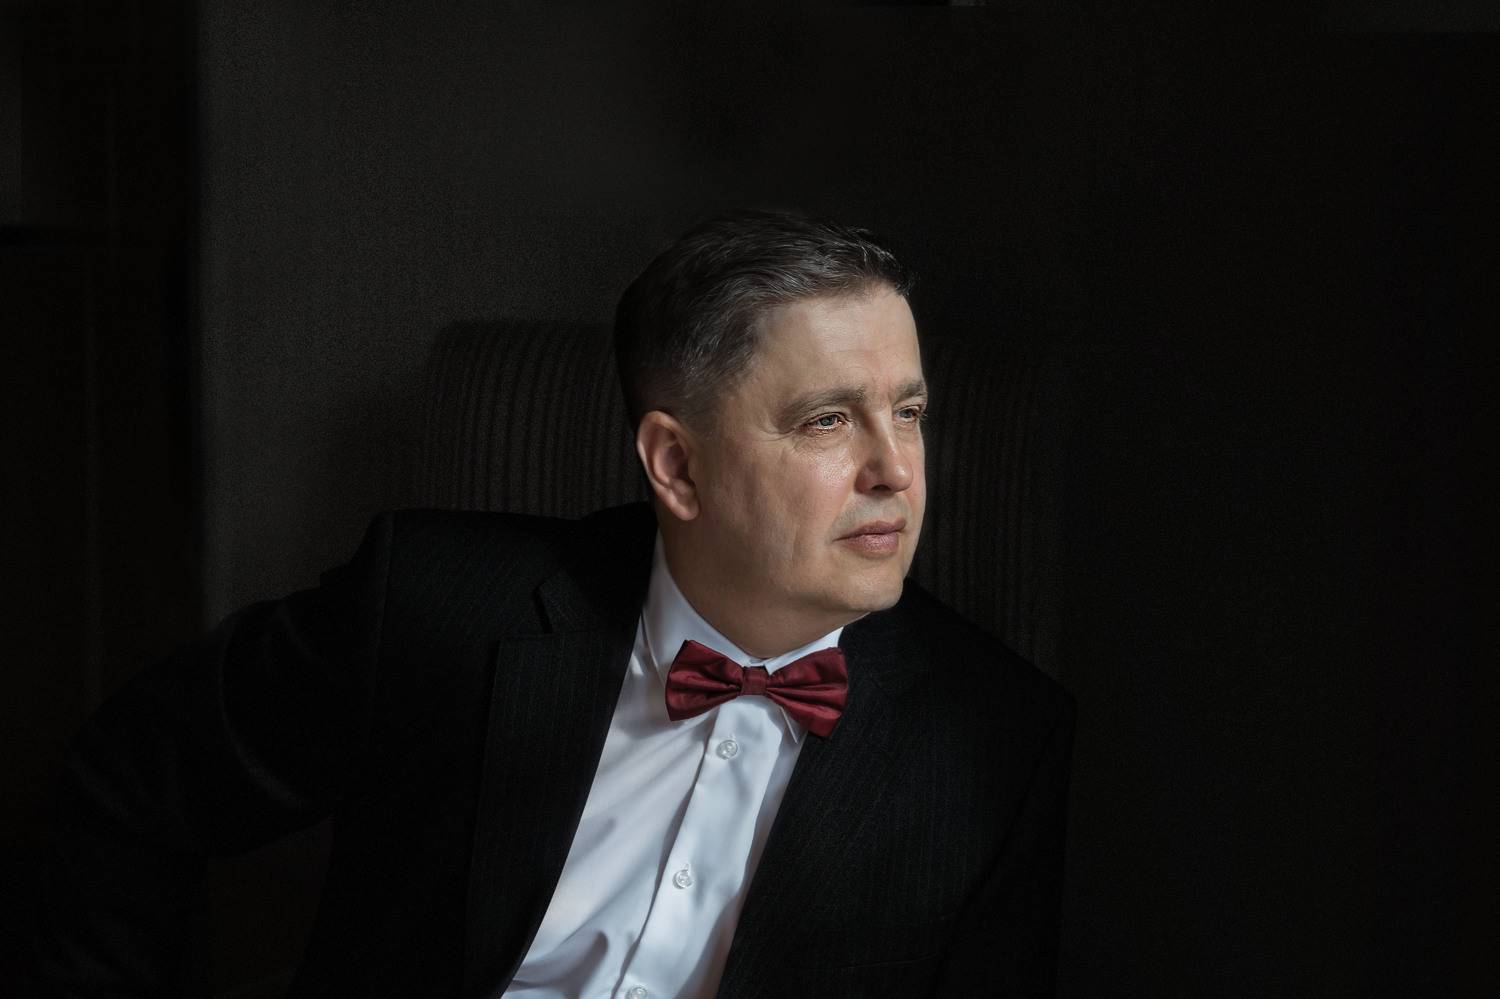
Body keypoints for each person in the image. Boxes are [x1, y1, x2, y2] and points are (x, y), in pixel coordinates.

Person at [28, 211, 1076, 998]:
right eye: (827, 421)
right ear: (676, 466)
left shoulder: (994, 741)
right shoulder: (435, 606)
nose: (897, 470)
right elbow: (127, 789)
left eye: (908, 411)